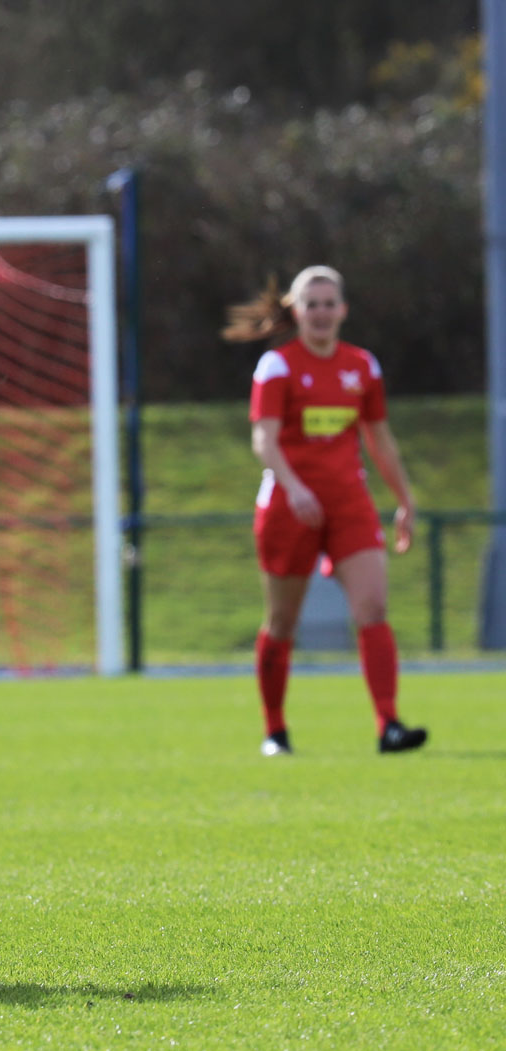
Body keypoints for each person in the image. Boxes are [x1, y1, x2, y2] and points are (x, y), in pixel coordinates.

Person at [224, 266, 427, 756]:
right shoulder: (278, 366)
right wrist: (294, 488)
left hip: (348, 503)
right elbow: (263, 439)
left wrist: (404, 499)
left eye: (328, 302)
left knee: (372, 607)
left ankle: (389, 726)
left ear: (343, 310)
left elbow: (378, 438)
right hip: (288, 505)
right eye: (310, 303)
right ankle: (275, 731)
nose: (320, 312)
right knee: (282, 622)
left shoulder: (362, 366)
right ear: (295, 311)